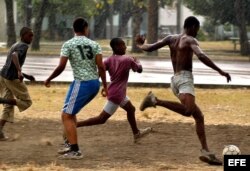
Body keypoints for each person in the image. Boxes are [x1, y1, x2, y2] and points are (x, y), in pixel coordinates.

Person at [135, 16, 231, 165]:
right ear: (192, 27)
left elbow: (150, 47)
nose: (197, 32)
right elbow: (201, 55)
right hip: (185, 79)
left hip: (175, 80)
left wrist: (141, 45)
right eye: (197, 29)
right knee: (188, 110)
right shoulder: (190, 40)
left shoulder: (171, 38)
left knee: (198, 116)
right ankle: (155, 100)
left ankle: (206, 151)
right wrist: (220, 71)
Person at [44, 17, 107, 160]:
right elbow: (101, 67)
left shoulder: (68, 44)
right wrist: (105, 85)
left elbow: (61, 66)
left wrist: (49, 78)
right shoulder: (94, 44)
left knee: (66, 115)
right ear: (85, 28)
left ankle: (75, 150)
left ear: (73, 29)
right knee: (70, 113)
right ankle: (69, 144)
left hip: (82, 83)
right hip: (93, 83)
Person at [75, 38, 152, 142]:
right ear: (116, 47)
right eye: (123, 45)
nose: (125, 47)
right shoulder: (127, 60)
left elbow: (99, 73)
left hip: (115, 91)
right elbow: (139, 70)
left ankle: (136, 133)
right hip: (117, 94)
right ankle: (75, 124)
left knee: (130, 109)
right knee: (101, 119)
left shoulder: (108, 60)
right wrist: (137, 61)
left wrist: (104, 86)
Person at [0, 27, 35, 141]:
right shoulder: (23, 46)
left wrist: (26, 75)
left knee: (9, 106)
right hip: (12, 78)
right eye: (30, 35)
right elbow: (15, 56)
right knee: (27, 102)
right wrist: (19, 71)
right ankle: (2, 100)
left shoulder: (15, 44)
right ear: (23, 35)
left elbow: (11, 63)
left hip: (3, 76)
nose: (31, 38)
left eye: (32, 35)